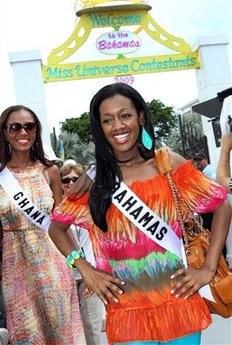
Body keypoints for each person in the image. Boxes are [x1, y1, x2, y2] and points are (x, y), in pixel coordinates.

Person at [49, 83, 231, 345]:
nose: (118, 126)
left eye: (125, 115)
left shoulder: (167, 164)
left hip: (178, 301)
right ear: (100, 127)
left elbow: (222, 205)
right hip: (126, 308)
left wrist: (208, 268)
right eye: (108, 120)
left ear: (140, 117)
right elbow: (57, 228)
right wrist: (85, 268)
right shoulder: (94, 180)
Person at [0, 105, 86, 344]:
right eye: (15, 127)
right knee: (25, 333)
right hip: (14, 265)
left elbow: (62, 223)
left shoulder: (50, 171)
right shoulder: (1, 175)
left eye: (29, 126)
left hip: (53, 263)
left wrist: (81, 265)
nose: (23, 132)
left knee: (59, 330)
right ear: (5, 133)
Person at [60, 160, 103, 345]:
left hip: (91, 276)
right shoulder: (56, 210)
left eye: (75, 179)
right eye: (66, 180)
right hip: (65, 279)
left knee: (92, 330)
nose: (70, 183)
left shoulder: (93, 205)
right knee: (71, 333)